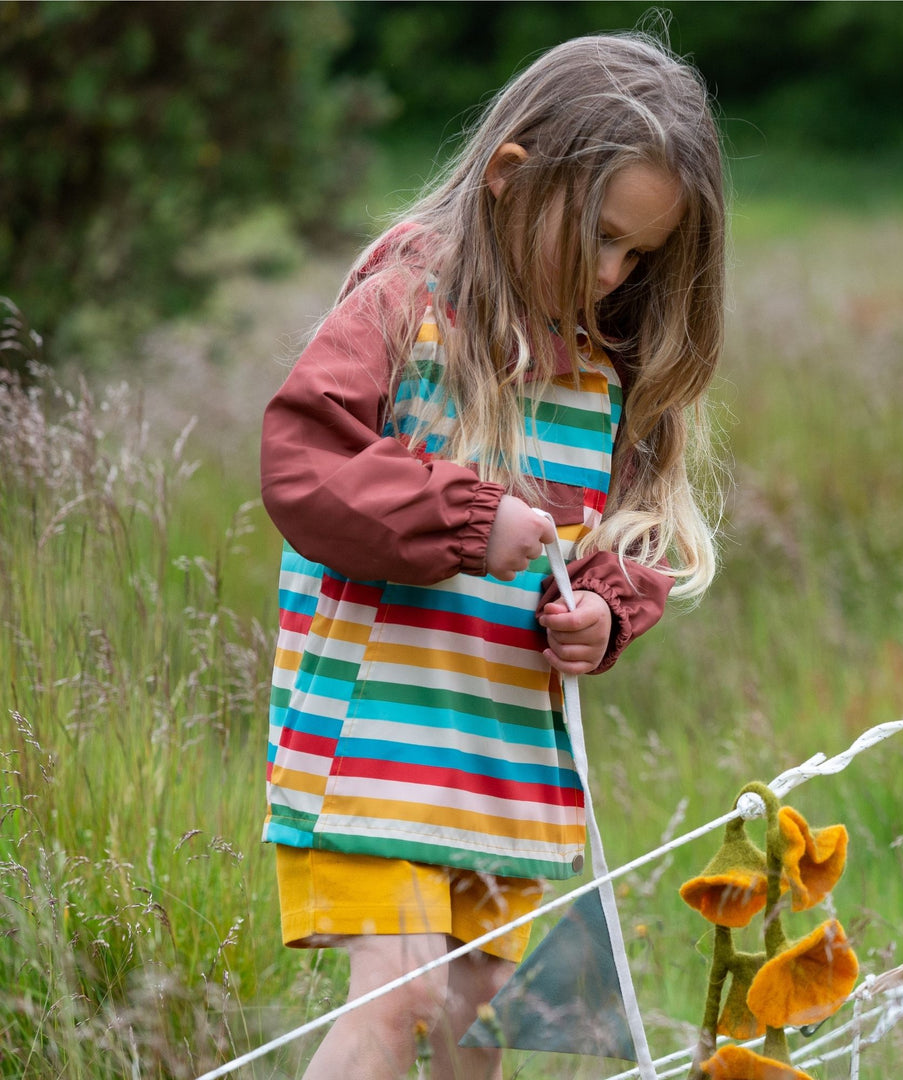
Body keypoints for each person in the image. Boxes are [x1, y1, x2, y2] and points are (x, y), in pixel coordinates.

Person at [260, 28, 726, 1080]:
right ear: (514, 180)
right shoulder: (408, 307)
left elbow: (633, 533)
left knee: (475, 1023)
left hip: (503, 762)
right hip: (370, 742)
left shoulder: (604, 375)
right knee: (403, 999)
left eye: (638, 256)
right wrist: (466, 521)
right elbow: (301, 464)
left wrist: (605, 610)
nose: (613, 273)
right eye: (601, 237)